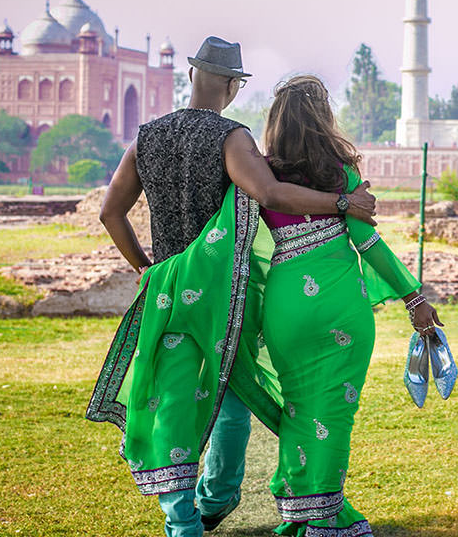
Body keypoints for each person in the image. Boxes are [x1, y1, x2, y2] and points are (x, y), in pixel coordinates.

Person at [87, 37, 378, 537]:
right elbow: (270, 192)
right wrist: (343, 203)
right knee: (230, 394)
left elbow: (110, 212)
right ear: (231, 85)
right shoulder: (231, 138)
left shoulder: (146, 138)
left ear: (192, 75)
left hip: (168, 289)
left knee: (172, 398)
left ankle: (182, 523)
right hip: (223, 293)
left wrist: (146, 268)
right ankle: (216, 497)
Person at [257, 75, 442, 537]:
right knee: (334, 415)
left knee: (298, 408)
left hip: (285, 309)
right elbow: (369, 243)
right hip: (340, 308)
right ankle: (324, 519)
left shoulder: (260, 177)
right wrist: (414, 297)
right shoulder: (341, 176)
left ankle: (301, 513)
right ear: (323, 119)